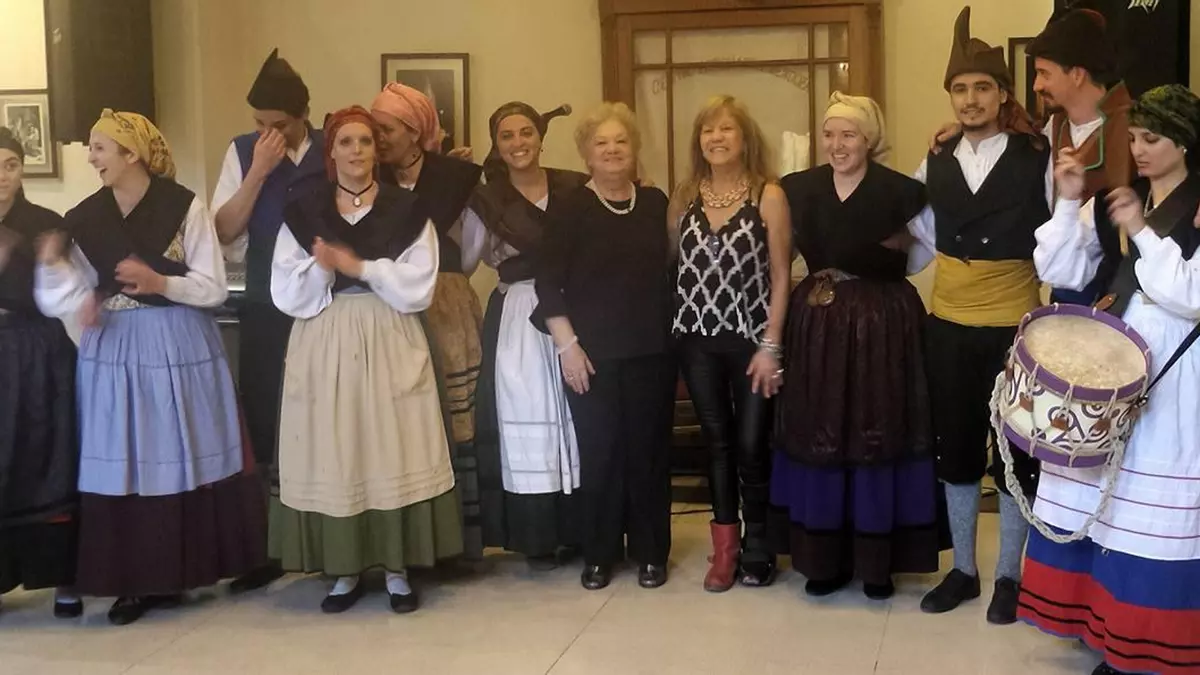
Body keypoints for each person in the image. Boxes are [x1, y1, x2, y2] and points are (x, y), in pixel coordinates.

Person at [34, 110, 267, 625]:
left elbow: (212, 286)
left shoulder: (183, 206)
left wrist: (161, 283)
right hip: (114, 348)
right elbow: (72, 290)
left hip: (176, 341)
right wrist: (63, 275)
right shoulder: (86, 216)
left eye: (99, 148)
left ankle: (183, 569)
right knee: (127, 457)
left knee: (179, 450)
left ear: (131, 154)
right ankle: (135, 580)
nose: (91, 158)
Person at [1021, 84, 1200, 675]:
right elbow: (1061, 268)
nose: (1139, 149)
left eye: (1153, 139)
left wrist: (1142, 230)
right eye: (1134, 138)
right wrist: (1068, 200)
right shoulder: (1119, 200)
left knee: (1149, 506)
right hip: (1114, 364)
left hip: (1175, 370)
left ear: (1184, 142)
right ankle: (1103, 627)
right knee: (1104, 502)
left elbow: (1191, 295)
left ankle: (1147, 641)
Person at [269, 106, 461, 614]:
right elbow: (284, 289)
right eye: (346, 142)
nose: (356, 151)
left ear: (378, 151)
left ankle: (397, 568)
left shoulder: (406, 209)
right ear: (331, 152)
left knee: (390, 443)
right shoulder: (305, 211)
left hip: (388, 329)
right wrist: (322, 268)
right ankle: (345, 569)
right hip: (326, 331)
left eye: (366, 141)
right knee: (339, 445)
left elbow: (419, 284)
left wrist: (361, 267)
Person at [907, 7, 1051, 625]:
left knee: (1017, 453)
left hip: (1016, 329)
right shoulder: (934, 160)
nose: (970, 99)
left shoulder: (1037, 155)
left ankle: (1010, 576)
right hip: (947, 325)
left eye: (982, 88)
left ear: (1002, 94)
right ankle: (963, 570)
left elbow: (1062, 239)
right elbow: (918, 239)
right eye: (960, 89)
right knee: (957, 446)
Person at [770, 93, 939, 600]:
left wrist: (883, 270)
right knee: (821, 427)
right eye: (829, 134)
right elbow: (783, 255)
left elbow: (924, 249)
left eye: (849, 135)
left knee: (876, 428)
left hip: (882, 323)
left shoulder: (901, 191)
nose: (837, 144)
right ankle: (825, 559)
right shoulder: (799, 188)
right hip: (819, 321)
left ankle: (877, 562)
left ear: (869, 139)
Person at [534, 102, 675, 591]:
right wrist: (567, 346)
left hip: (652, 349)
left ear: (634, 149)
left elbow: (670, 268)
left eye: (621, 141)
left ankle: (651, 552)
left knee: (649, 453)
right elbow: (547, 282)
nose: (613, 150)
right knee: (601, 452)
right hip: (589, 353)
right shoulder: (569, 206)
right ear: (587, 154)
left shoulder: (654, 202)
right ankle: (600, 553)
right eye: (602, 143)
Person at [211, 48, 327, 593]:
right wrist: (258, 171)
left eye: (278, 126)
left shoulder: (333, 147)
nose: (267, 134)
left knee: (324, 417)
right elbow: (224, 229)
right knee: (265, 420)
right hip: (264, 305)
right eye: (259, 124)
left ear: (304, 116)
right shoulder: (242, 152)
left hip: (326, 306)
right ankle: (268, 547)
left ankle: (331, 539)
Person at [668, 95, 791, 591]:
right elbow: (672, 268)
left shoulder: (768, 195)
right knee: (716, 444)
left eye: (726, 129)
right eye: (707, 130)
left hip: (752, 343)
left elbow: (781, 276)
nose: (716, 138)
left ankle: (759, 544)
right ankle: (725, 550)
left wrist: (771, 345)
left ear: (745, 139)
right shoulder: (684, 197)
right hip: (696, 341)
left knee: (752, 443)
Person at [932, 7, 1132, 306]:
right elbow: (1006, 123)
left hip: (1121, 291)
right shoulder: (1053, 128)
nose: (1036, 85)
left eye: (1044, 74)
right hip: (1063, 291)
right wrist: (963, 127)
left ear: (1077, 75)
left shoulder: (1133, 130)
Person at [465, 102, 587, 570]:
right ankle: (538, 534)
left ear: (540, 136)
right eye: (507, 136)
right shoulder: (487, 201)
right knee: (527, 412)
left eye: (526, 132)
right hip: (518, 311)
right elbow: (466, 259)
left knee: (577, 412)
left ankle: (581, 526)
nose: (518, 143)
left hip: (573, 307)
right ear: (497, 145)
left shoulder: (574, 187)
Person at [371, 83, 486, 560]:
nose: (378, 139)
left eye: (387, 129)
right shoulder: (370, 179)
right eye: (374, 129)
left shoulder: (453, 178)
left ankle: (458, 540)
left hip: (444, 302)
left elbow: (474, 244)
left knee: (455, 417)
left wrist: (447, 282)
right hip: (390, 308)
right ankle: (410, 541)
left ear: (415, 131)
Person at [0, 127, 80, 618]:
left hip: (37, 353)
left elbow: (70, 295)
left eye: (10, 165)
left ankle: (64, 581)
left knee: (49, 457)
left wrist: (51, 264)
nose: (2, 176)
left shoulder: (46, 224)